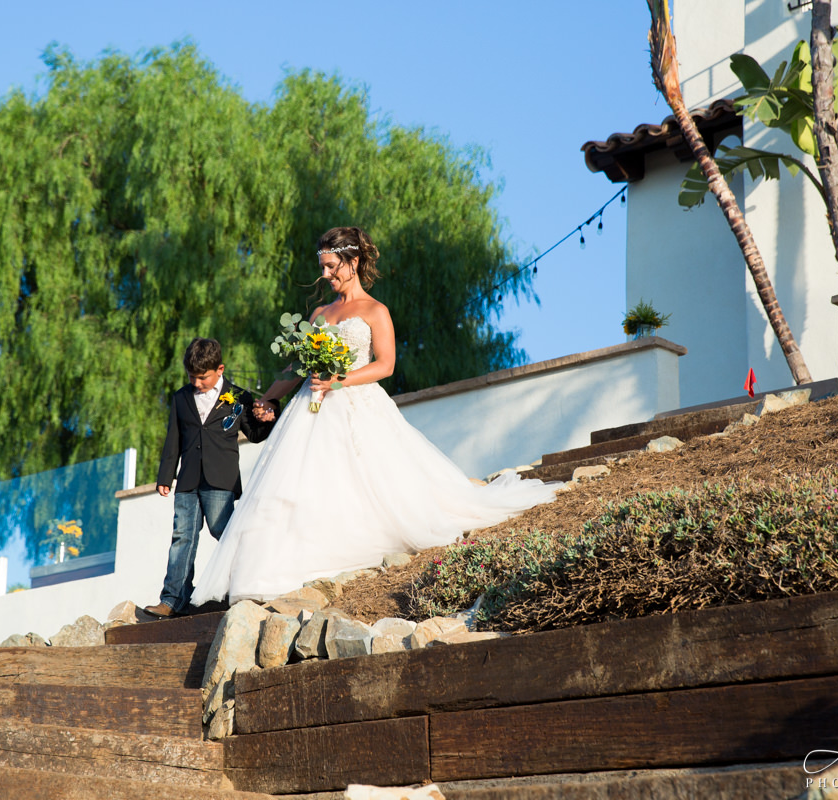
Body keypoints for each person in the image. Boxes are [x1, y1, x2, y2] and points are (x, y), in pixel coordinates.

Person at [189, 227, 558, 606]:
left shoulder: (375, 311)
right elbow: (297, 367)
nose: (326, 275)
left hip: (356, 404)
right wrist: (266, 399)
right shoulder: (318, 314)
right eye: (322, 267)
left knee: (367, 483)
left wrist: (338, 380)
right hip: (307, 410)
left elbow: (385, 365)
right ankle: (274, 569)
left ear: (353, 262)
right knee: (293, 487)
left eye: (331, 267)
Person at [142, 337, 276, 617]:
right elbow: (173, 439)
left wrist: (269, 417)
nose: (197, 382)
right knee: (182, 537)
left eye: (202, 377)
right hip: (187, 480)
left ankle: (244, 586)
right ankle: (173, 600)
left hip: (221, 479)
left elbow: (254, 434)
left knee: (223, 531)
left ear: (220, 369)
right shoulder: (181, 398)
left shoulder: (239, 397)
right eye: (192, 376)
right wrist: (166, 475)